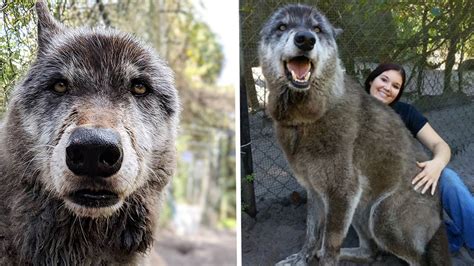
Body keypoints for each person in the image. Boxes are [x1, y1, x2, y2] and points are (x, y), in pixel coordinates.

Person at [365, 63, 474, 257]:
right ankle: (445, 237)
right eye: (384, 79)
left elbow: (440, 146)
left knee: (448, 178)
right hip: (375, 194)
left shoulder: (405, 112)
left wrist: (437, 164)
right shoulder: (349, 112)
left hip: (412, 180)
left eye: (396, 86)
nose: (388, 88)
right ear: (371, 80)